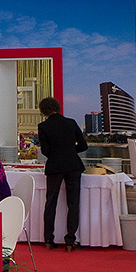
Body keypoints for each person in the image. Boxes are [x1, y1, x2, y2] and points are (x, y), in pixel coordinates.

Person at [36, 96, 88, 251]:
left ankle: (48, 239)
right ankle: (70, 240)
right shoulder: (71, 123)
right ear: (57, 107)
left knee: (50, 202)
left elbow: (45, 150)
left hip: (55, 166)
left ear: (43, 111)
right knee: (73, 204)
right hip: (73, 165)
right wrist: (70, 151)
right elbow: (83, 146)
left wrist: (57, 154)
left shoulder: (43, 126)